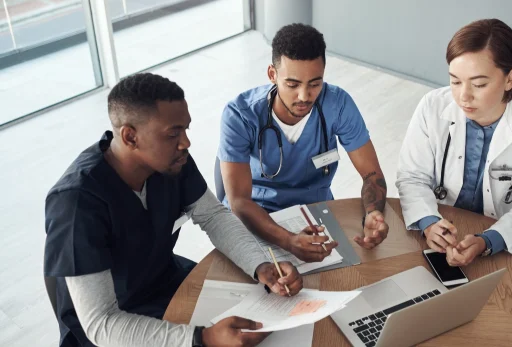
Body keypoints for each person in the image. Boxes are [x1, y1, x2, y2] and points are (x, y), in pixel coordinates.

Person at [44, 73, 303, 347]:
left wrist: (260, 264)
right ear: (130, 136)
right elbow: (102, 322)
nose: (186, 143)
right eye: (173, 133)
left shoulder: (172, 161)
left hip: (166, 283)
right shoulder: (76, 202)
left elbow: (213, 216)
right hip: (113, 328)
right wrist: (200, 338)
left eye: (185, 130)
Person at [218, 23, 389, 262]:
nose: (304, 96)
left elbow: (372, 175)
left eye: (314, 84)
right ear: (272, 75)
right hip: (255, 216)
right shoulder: (240, 114)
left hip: (315, 213)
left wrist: (373, 213)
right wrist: (288, 240)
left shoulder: (337, 104)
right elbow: (238, 201)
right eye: (292, 84)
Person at [396, 19, 512, 267]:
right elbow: (412, 177)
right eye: (455, 81)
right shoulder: (432, 106)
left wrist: (487, 241)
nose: (463, 96)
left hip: (499, 239)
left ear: (510, 78)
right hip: (436, 228)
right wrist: (429, 222)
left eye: (479, 84)